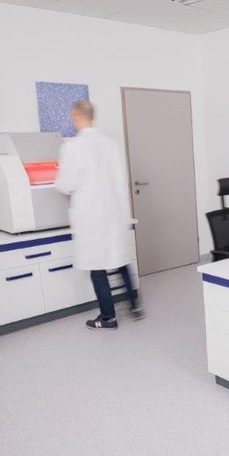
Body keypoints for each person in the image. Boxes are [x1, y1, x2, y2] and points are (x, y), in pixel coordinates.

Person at [55, 100, 142, 330]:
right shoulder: (110, 144)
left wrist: (60, 178)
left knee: (97, 268)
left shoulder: (72, 147)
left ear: (75, 116)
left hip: (90, 217)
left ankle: (108, 317)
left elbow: (65, 184)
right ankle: (135, 306)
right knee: (121, 260)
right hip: (113, 212)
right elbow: (118, 179)